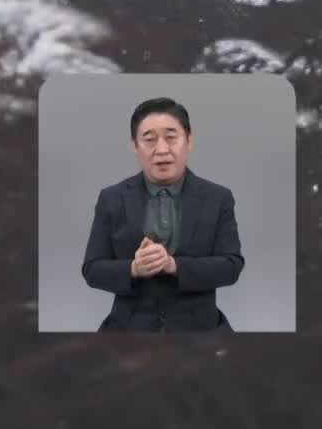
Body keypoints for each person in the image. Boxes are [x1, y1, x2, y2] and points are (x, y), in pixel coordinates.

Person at [80, 97, 245, 331]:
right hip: (128, 330)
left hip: (200, 329)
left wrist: (173, 265)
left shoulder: (218, 198)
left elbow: (231, 266)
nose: (162, 150)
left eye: (171, 137)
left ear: (189, 141)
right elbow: (92, 269)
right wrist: (134, 269)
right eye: (149, 140)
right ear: (135, 146)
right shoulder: (112, 198)